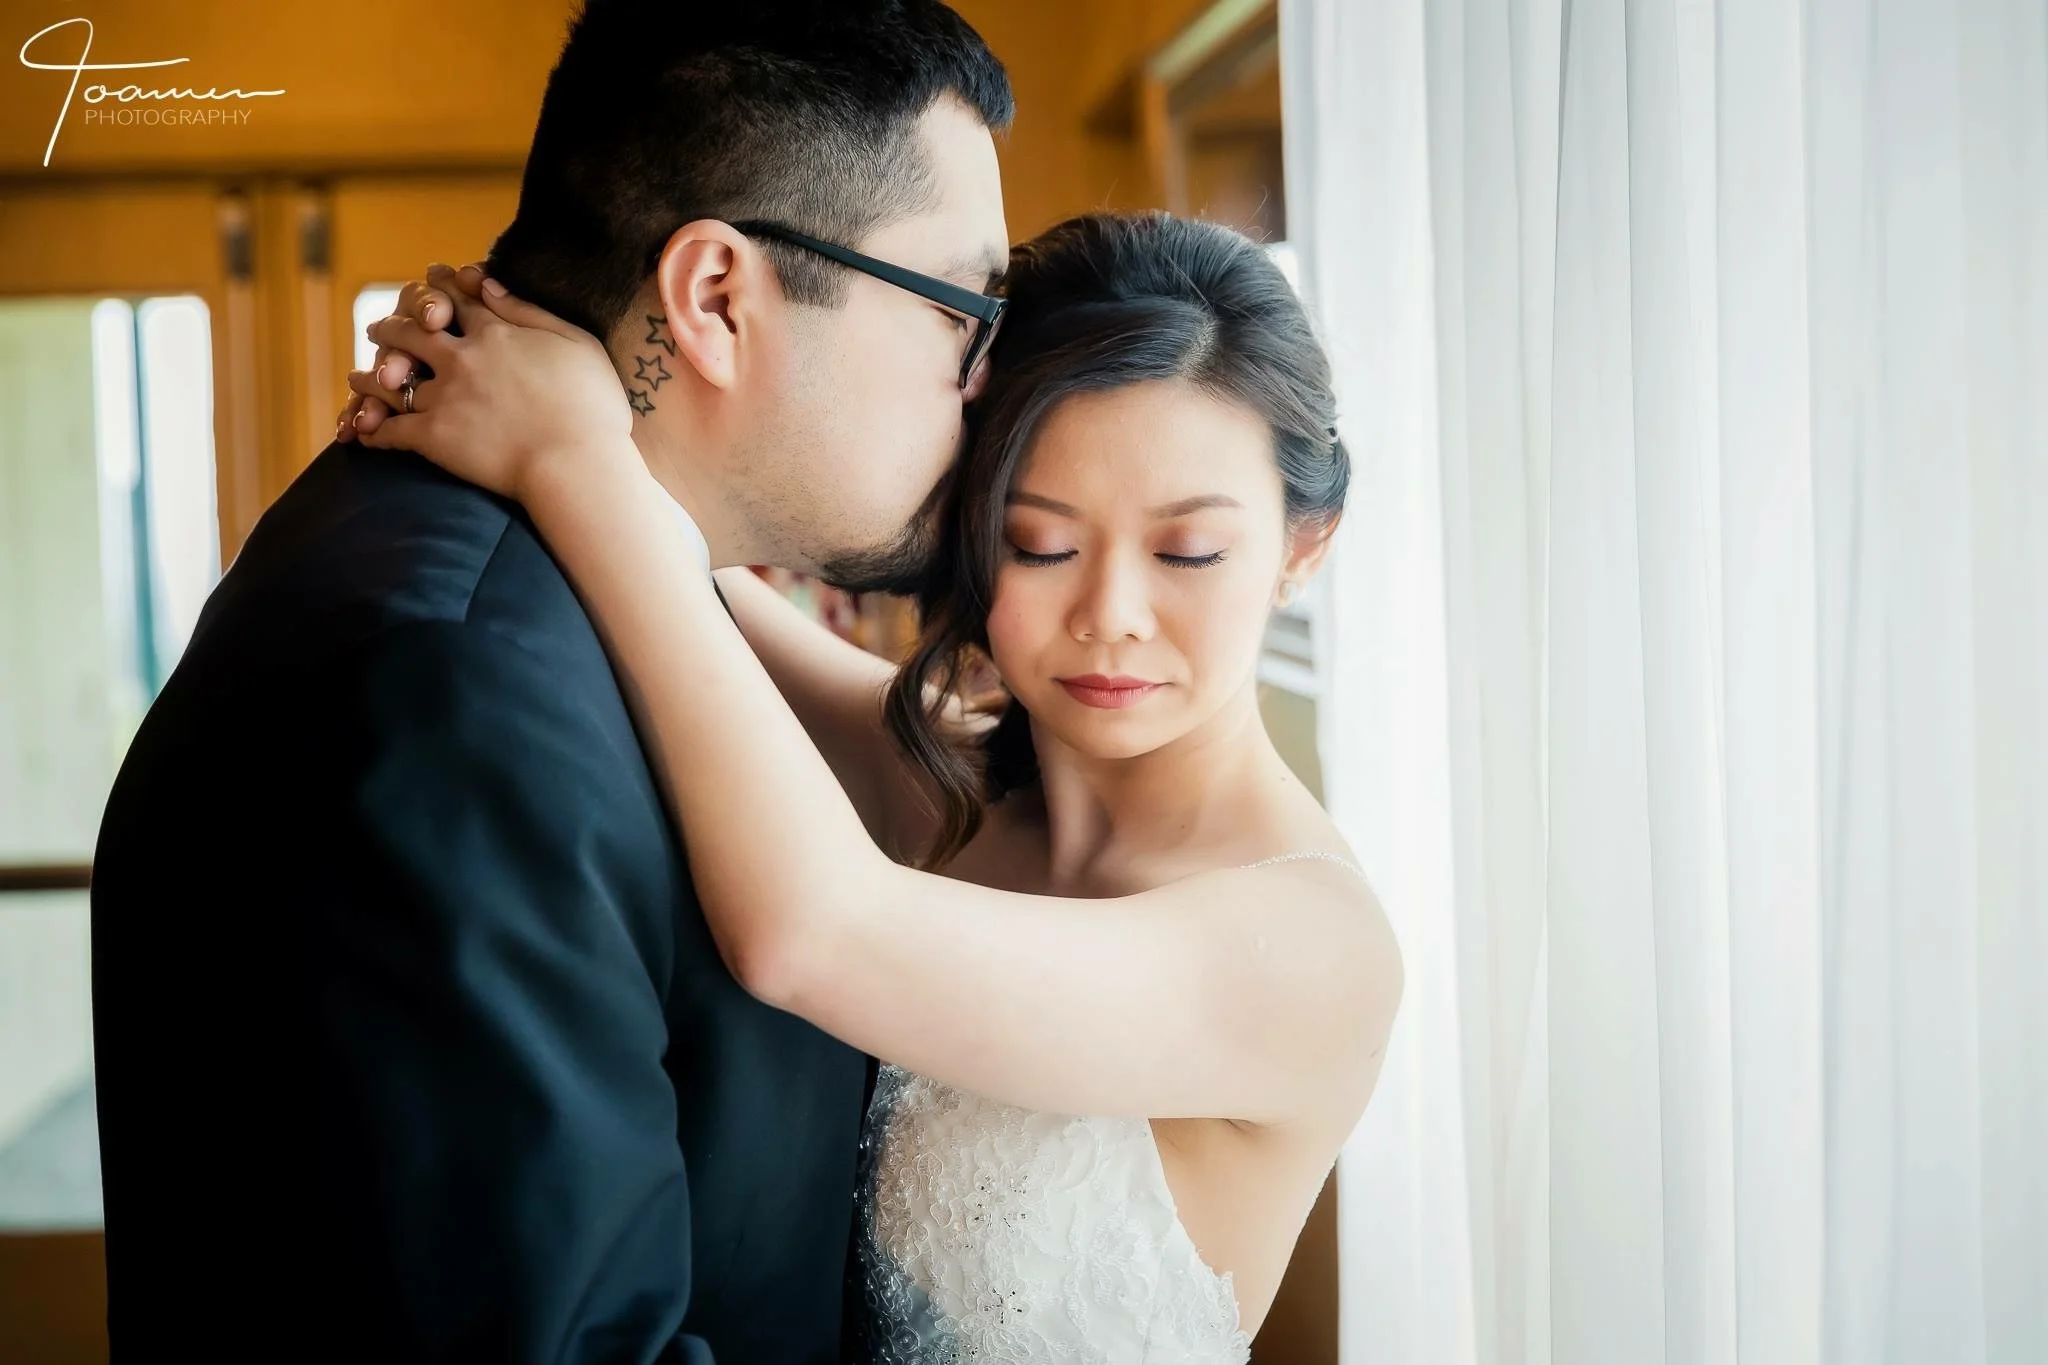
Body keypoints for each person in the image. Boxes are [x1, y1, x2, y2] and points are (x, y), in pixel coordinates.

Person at [88, 2, 1013, 1360]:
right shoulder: (460, 682)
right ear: (713, 300)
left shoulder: (603, 584)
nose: (986, 388)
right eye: (965, 313)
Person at [347, 210, 1404, 1362]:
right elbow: (688, 594)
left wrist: (570, 459)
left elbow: (809, 933)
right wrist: (521, 366)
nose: (1110, 616)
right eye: (1038, 543)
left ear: (1303, 548)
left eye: (1187, 554)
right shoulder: (957, 770)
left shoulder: (1311, 949)